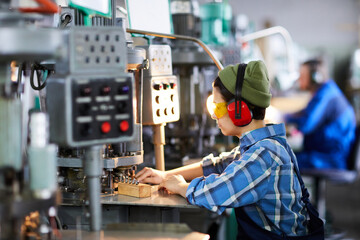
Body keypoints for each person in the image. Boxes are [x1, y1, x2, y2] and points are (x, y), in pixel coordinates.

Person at [136, 61, 309, 238]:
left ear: (239, 109)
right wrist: (165, 175)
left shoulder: (264, 155)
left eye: (217, 107)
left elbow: (218, 192)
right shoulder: (262, 145)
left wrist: (181, 186)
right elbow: (218, 165)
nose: (213, 115)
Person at [285, 59, 356, 170]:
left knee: (279, 160)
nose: (299, 79)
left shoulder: (325, 94)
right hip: (326, 153)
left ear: (315, 77)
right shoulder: (326, 91)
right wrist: (287, 116)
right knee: (284, 153)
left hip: (329, 158)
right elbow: (306, 113)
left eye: (302, 75)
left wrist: (284, 118)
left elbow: (305, 124)